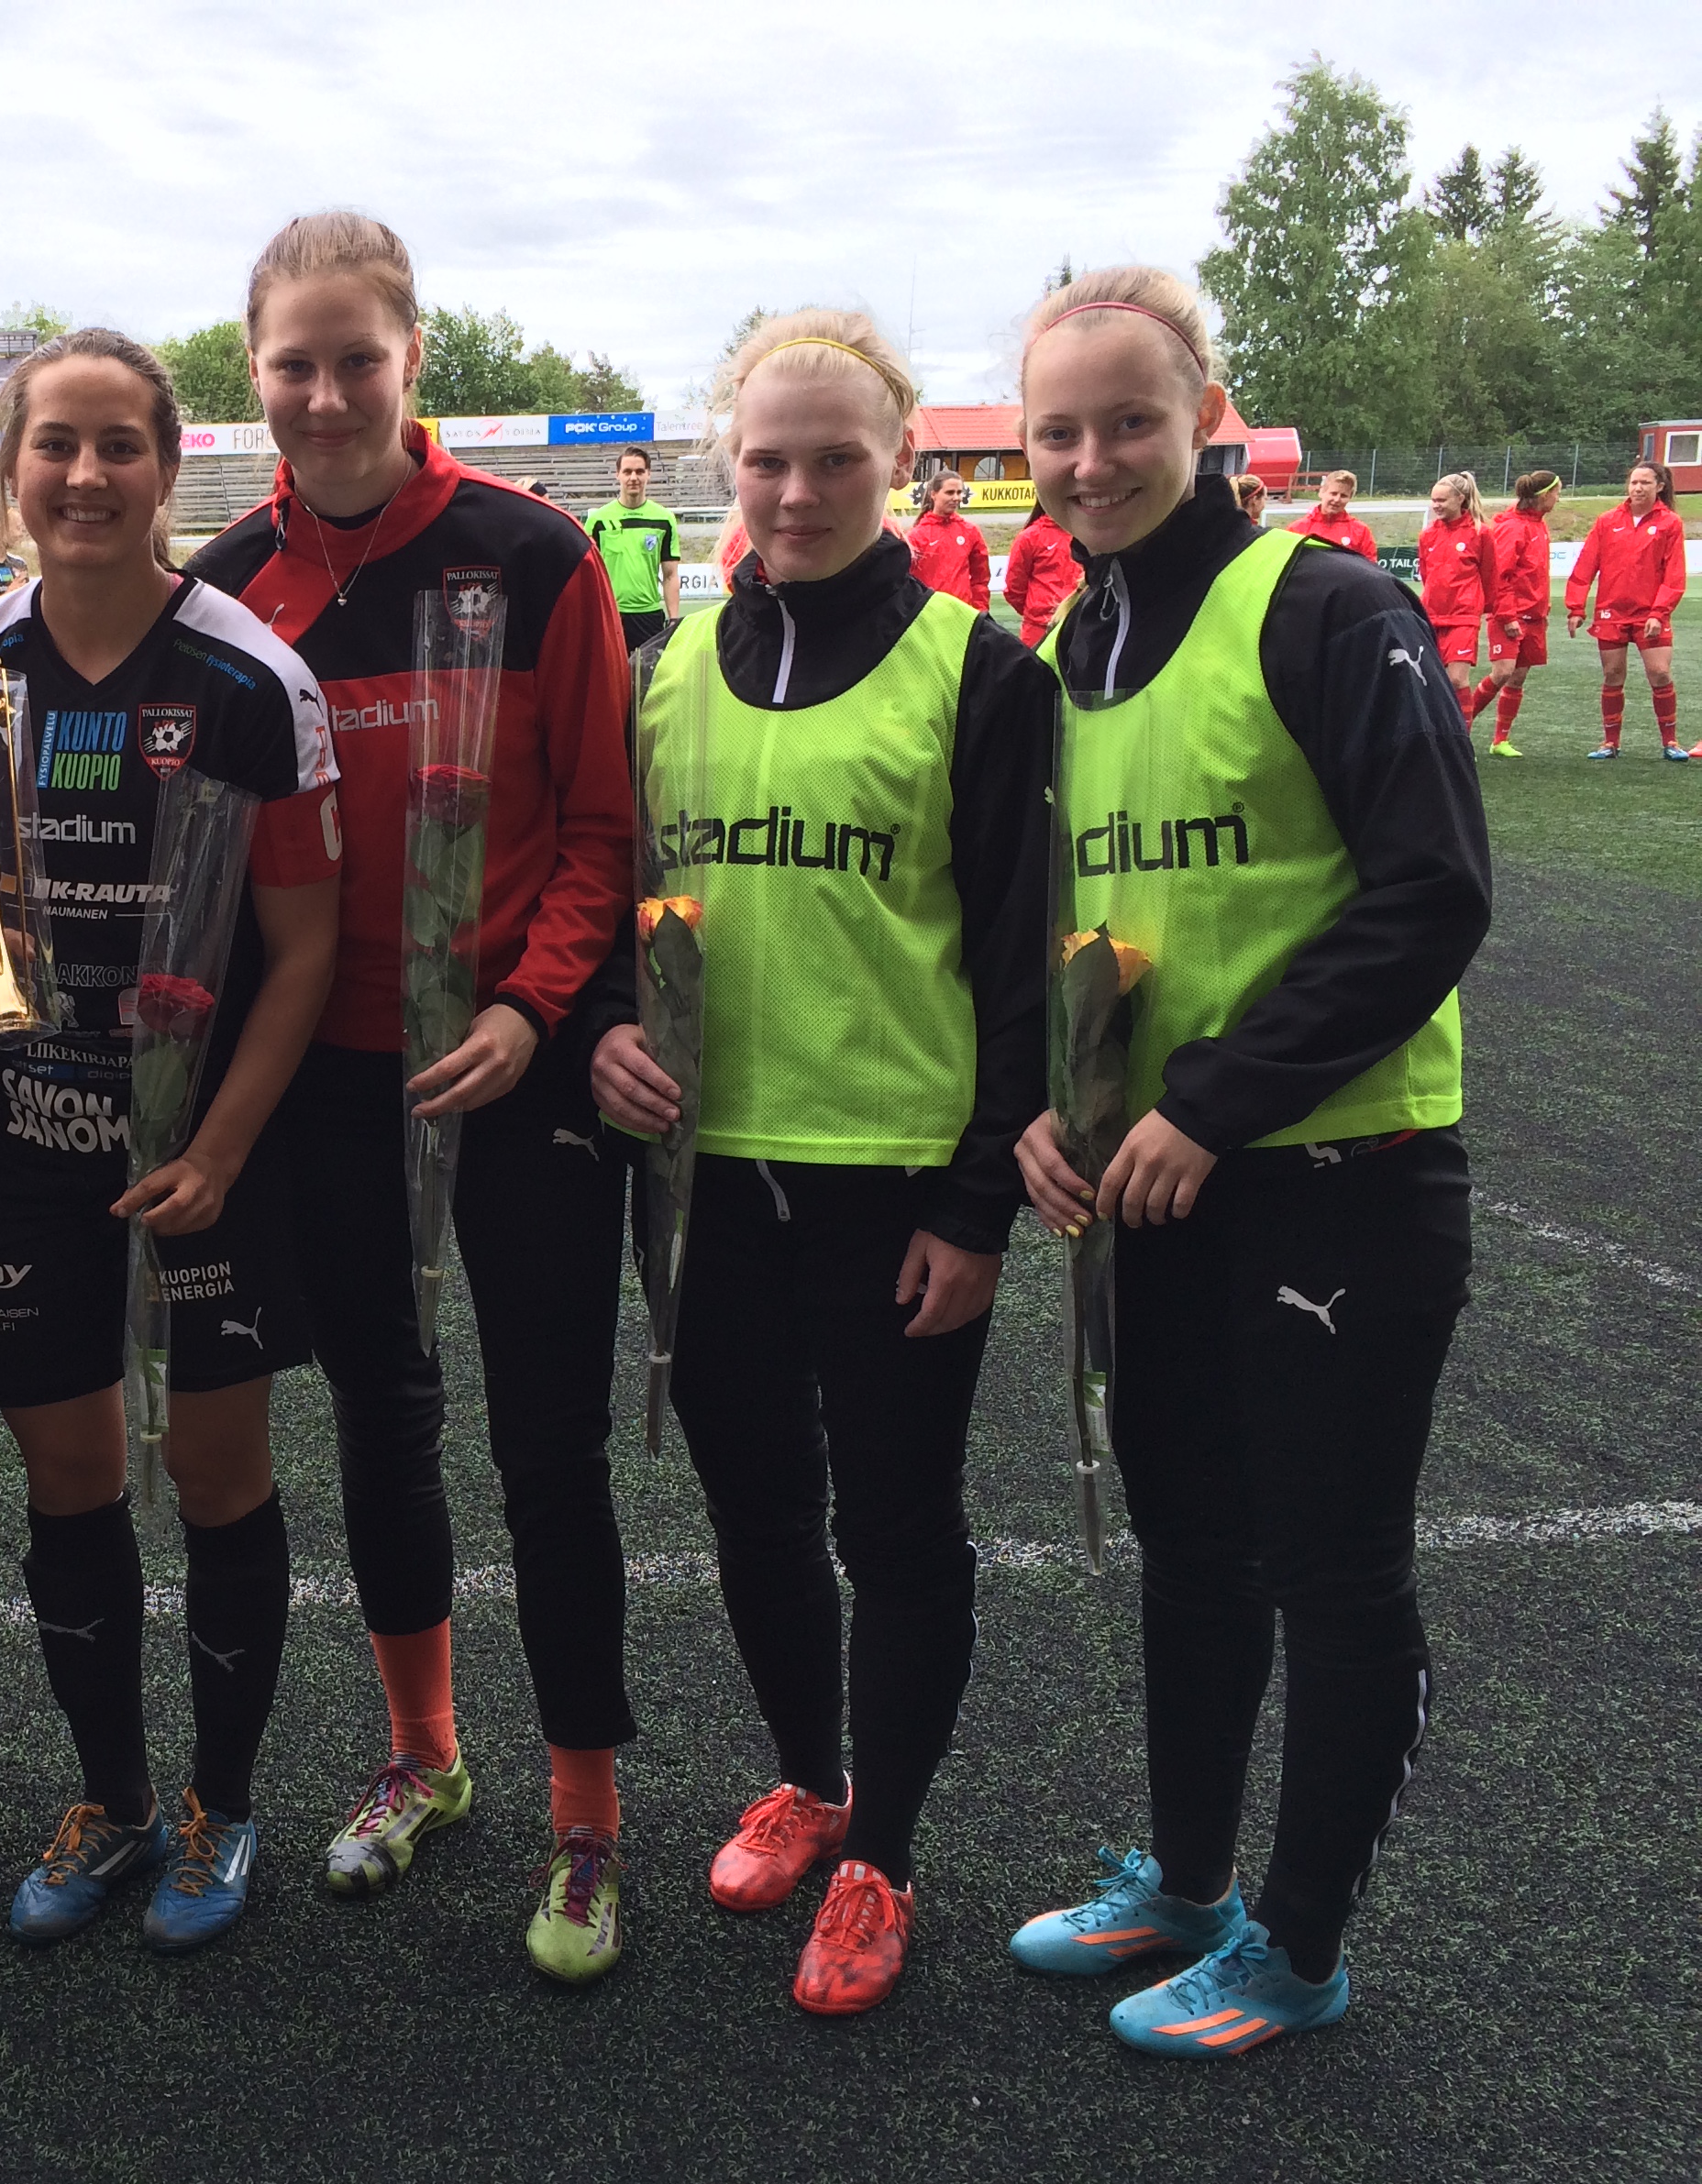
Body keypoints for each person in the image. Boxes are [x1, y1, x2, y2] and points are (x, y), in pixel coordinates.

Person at [1006, 267, 1488, 2061]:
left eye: (1128, 421)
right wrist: (1054, 1105)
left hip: (1332, 1176)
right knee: (1191, 1546)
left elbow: (1430, 892)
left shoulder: (1324, 604)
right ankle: (1192, 1884)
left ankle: (1296, 1946)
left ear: (1205, 417)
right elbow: (1083, 925)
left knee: (1329, 1567)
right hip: (1157, 1188)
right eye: (1058, 431)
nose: (1092, 460)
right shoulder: (1075, 647)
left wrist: (1211, 1098)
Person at [183, 212, 638, 1982]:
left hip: (512, 1072)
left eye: (353, 358)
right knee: (379, 1413)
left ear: (411, 356)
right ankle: (424, 1755)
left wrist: (530, 1009)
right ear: (252, 370)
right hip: (323, 1075)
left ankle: (585, 1819)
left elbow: (596, 829)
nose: (323, 393)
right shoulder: (228, 584)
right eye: (291, 363)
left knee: (545, 1445)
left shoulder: (531, 554)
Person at [585, 310, 1051, 2018]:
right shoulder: (666, 666)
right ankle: (810, 1778)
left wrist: (977, 1204)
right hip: (704, 1181)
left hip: (894, 1187)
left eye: (833, 459)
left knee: (901, 1528)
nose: (793, 492)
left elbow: (1020, 963)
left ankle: (884, 1859)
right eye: (766, 460)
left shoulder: (979, 671)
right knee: (756, 1507)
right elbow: (609, 899)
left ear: (900, 463)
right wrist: (599, 1030)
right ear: (730, 463)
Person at [0, 331, 341, 1953]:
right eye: (54, 445)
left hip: (208, 1150)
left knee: (213, 1469)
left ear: (168, 469)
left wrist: (218, 1148)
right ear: (9, 469)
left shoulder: (246, 679)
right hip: (26, 1135)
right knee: (69, 1469)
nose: (84, 476)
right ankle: (110, 1797)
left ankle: (222, 1804)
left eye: (118, 447)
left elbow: (302, 951)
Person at [1566, 458, 1685, 760]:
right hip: (1611, 612)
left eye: (1645, 482)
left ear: (1660, 487)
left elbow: (1674, 574)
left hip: (1650, 614)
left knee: (1660, 673)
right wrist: (1576, 607)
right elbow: (1585, 566)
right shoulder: (1607, 521)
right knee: (1612, 675)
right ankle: (1610, 743)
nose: (1638, 488)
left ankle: (1670, 742)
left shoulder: (1670, 523)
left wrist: (1659, 612)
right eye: (1634, 482)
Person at [1475, 470, 1561, 756]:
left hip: (1533, 615)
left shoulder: (1538, 524)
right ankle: (1459, 727)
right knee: (1502, 672)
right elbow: (1500, 576)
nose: (1558, 498)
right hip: (1511, 615)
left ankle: (1500, 740)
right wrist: (1507, 615)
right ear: (1543, 495)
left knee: (1517, 677)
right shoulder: (1512, 527)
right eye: (1556, 492)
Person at [582, 444, 683, 652]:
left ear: (648, 474)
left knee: (646, 673)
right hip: (610, 614)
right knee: (611, 673)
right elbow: (587, 574)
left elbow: (670, 574)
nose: (633, 477)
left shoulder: (664, 519)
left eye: (639, 471)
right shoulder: (598, 520)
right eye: (627, 471)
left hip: (649, 616)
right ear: (618, 475)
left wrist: (674, 618)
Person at [1417, 473, 1496, 714]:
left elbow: (1490, 576)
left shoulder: (1480, 533)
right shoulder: (1427, 535)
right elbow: (1427, 574)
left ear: (1460, 499)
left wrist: (1476, 606)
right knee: (1430, 681)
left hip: (1463, 617)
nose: (1436, 505)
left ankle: (1462, 737)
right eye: (1434, 500)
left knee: (1457, 680)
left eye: (1442, 500)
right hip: (1431, 616)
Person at [905, 472, 990, 610]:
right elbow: (906, 583)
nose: (956, 498)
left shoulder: (970, 531)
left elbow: (981, 578)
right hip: (929, 614)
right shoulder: (916, 536)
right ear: (934, 494)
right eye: (950, 492)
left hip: (963, 614)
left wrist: (980, 610)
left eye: (959, 492)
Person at [1001, 499, 1080, 649]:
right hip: (1038, 629)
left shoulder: (1085, 535)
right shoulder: (1030, 537)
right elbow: (1014, 588)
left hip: (1077, 626)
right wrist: (1037, 611)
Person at [1288, 469, 1379, 564]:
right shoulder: (1297, 529)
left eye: (1343, 496)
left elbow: (1370, 567)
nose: (1337, 499)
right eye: (1333, 493)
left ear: (1349, 498)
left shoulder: (1361, 531)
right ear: (1321, 492)